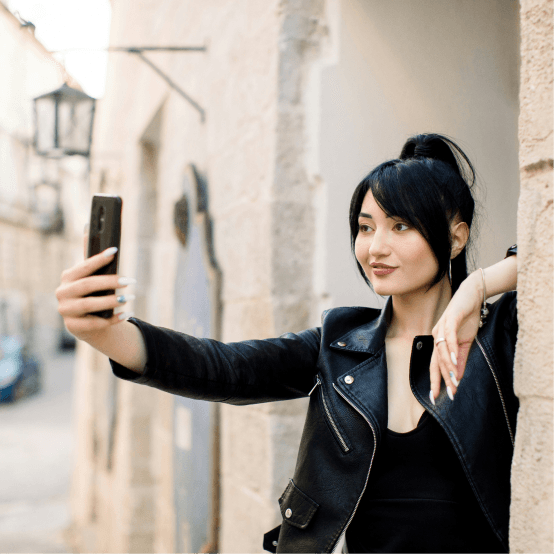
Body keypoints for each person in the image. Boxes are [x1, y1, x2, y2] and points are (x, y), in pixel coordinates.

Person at [56, 133, 518, 554]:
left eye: (400, 226)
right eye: (365, 226)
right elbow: (226, 367)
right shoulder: (339, 345)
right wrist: (105, 332)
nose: (375, 247)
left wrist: (478, 288)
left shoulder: (501, 336)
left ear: (456, 237)